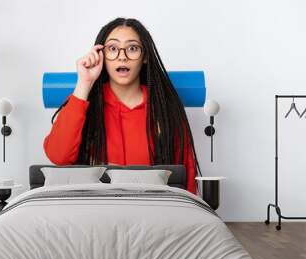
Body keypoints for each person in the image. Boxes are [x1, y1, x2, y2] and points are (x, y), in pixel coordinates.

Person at [43, 17, 202, 195]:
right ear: (101, 56)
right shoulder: (83, 103)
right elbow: (59, 157)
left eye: (132, 48)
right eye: (112, 48)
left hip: (152, 213)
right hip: (95, 212)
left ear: (145, 57)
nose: (122, 56)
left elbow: (186, 177)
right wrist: (84, 82)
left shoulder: (165, 111)